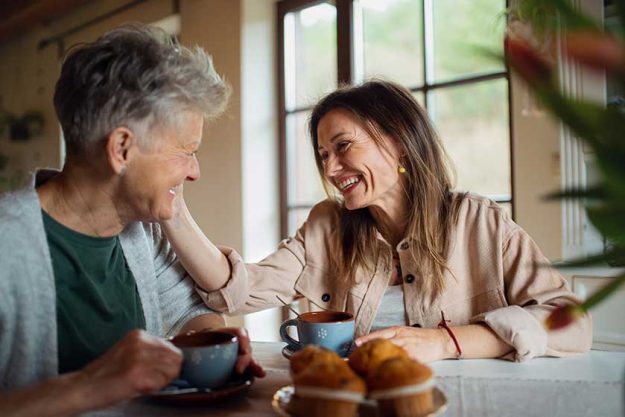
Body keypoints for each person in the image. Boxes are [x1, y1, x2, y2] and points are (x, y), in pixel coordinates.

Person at [162, 80, 592, 363]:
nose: (331, 169)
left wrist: (447, 342)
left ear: (399, 142)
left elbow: (571, 321)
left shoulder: (479, 222)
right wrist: (172, 206)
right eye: (324, 155)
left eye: (343, 146)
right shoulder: (326, 224)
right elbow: (238, 291)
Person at [0, 24, 263, 417]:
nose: (195, 172)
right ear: (121, 148)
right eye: (186, 151)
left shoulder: (140, 232)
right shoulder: (8, 246)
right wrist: (91, 383)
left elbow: (191, 313)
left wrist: (215, 343)